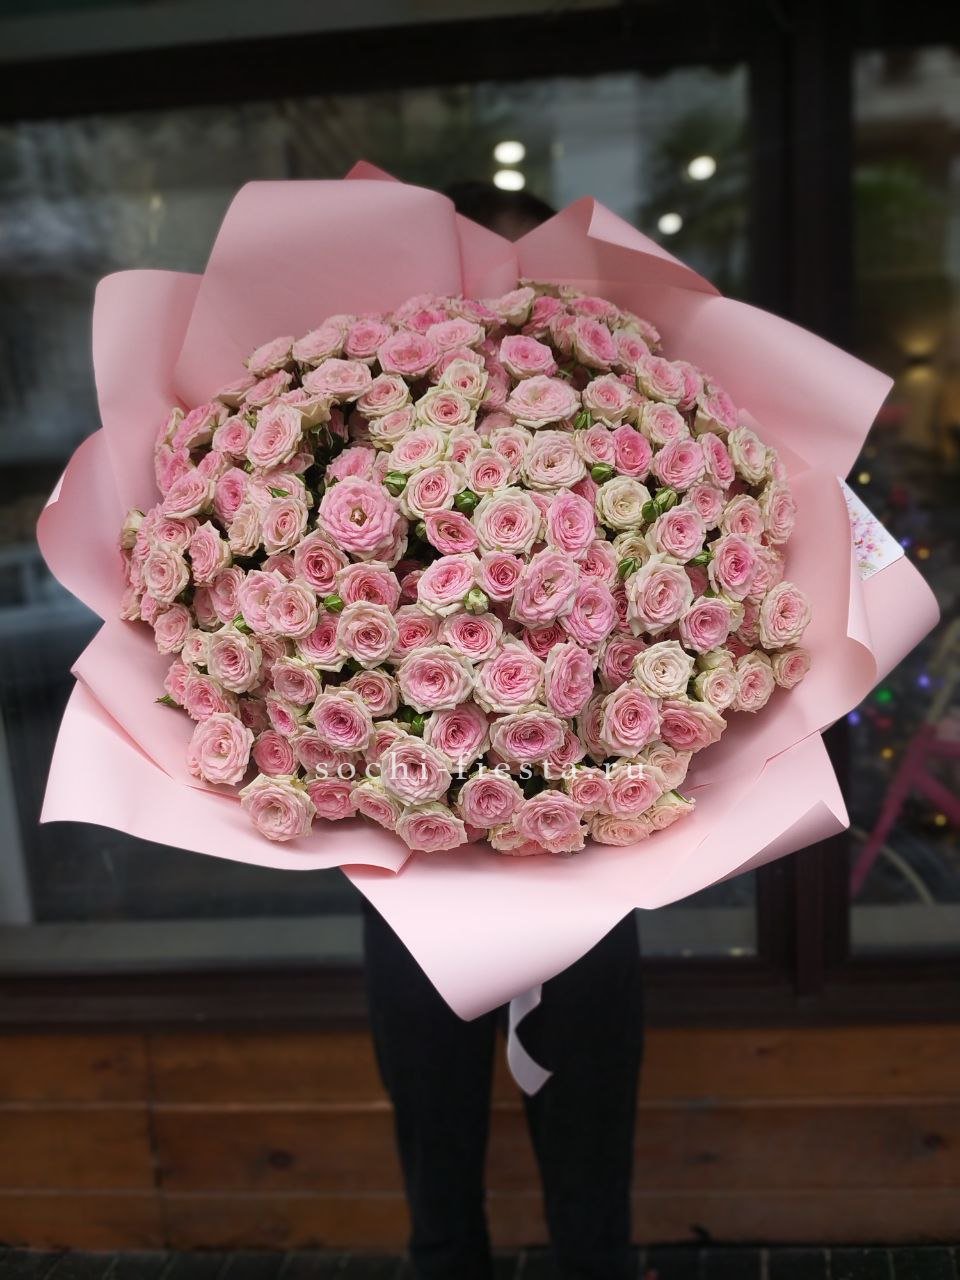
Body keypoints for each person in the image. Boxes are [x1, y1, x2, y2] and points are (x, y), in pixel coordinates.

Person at [361, 181, 645, 1280]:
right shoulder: (373, 429)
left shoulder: (610, 424)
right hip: (416, 865)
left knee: (593, 1168)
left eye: (521, 274)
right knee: (435, 1162)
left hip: (581, 860)